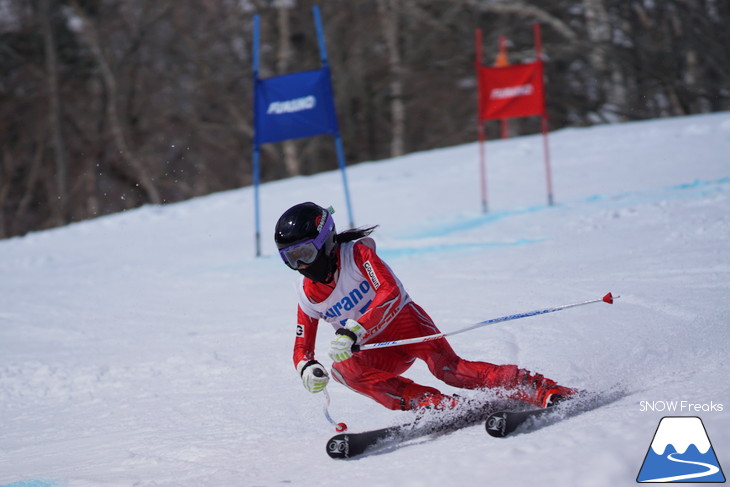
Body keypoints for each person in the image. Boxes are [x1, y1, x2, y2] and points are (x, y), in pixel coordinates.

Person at [275, 202, 576, 411]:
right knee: (344, 372)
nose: (300, 265)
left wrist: (354, 331)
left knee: (449, 370)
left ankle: (541, 388)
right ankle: (437, 406)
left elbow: (390, 293)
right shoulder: (309, 295)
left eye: (303, 253)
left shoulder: (357, 254)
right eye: (290, 259)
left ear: (325, 240)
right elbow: (302, 348)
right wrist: (308, 369)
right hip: (376, 350)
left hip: (407, 325)